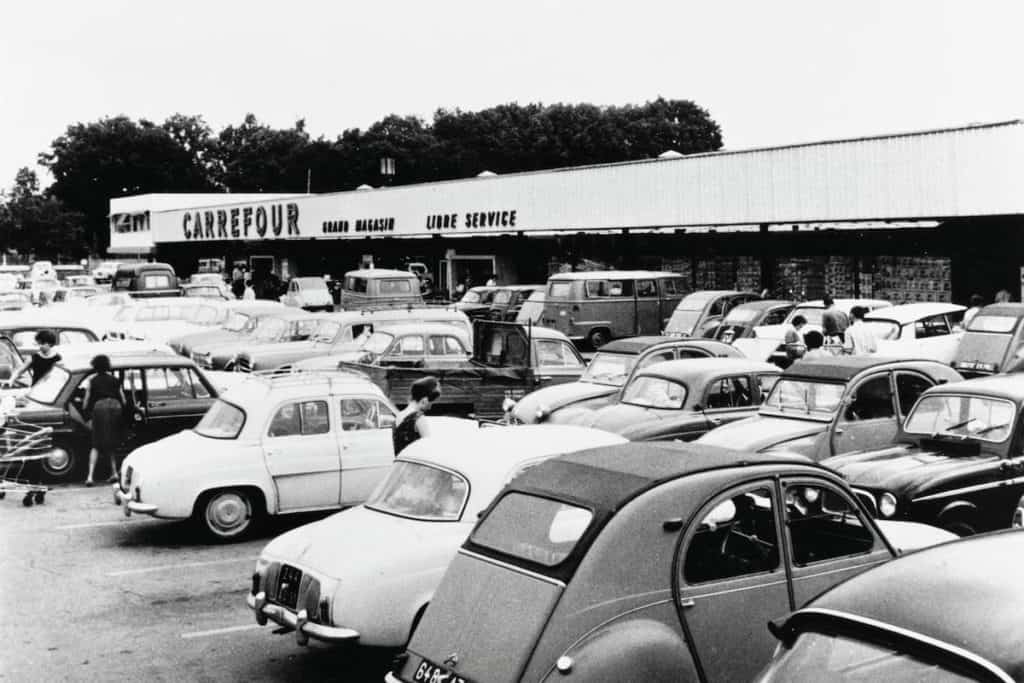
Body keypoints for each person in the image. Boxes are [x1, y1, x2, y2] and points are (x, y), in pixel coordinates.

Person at [83, 354, 126, 486]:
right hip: (115, 407)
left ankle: (90, 477)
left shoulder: (92, 380)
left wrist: (86, 412)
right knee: (110, 441)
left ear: (95, 366)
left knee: (96, 443)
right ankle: (113, 473)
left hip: (99, 407)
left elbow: (86, 401)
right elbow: (123, 399)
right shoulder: (115, 380)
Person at [392, 376, 441, 455]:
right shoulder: (418, 418)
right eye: (431, 403)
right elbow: (429, 450)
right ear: (424, 401)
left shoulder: (398, 416)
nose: (430, 407)